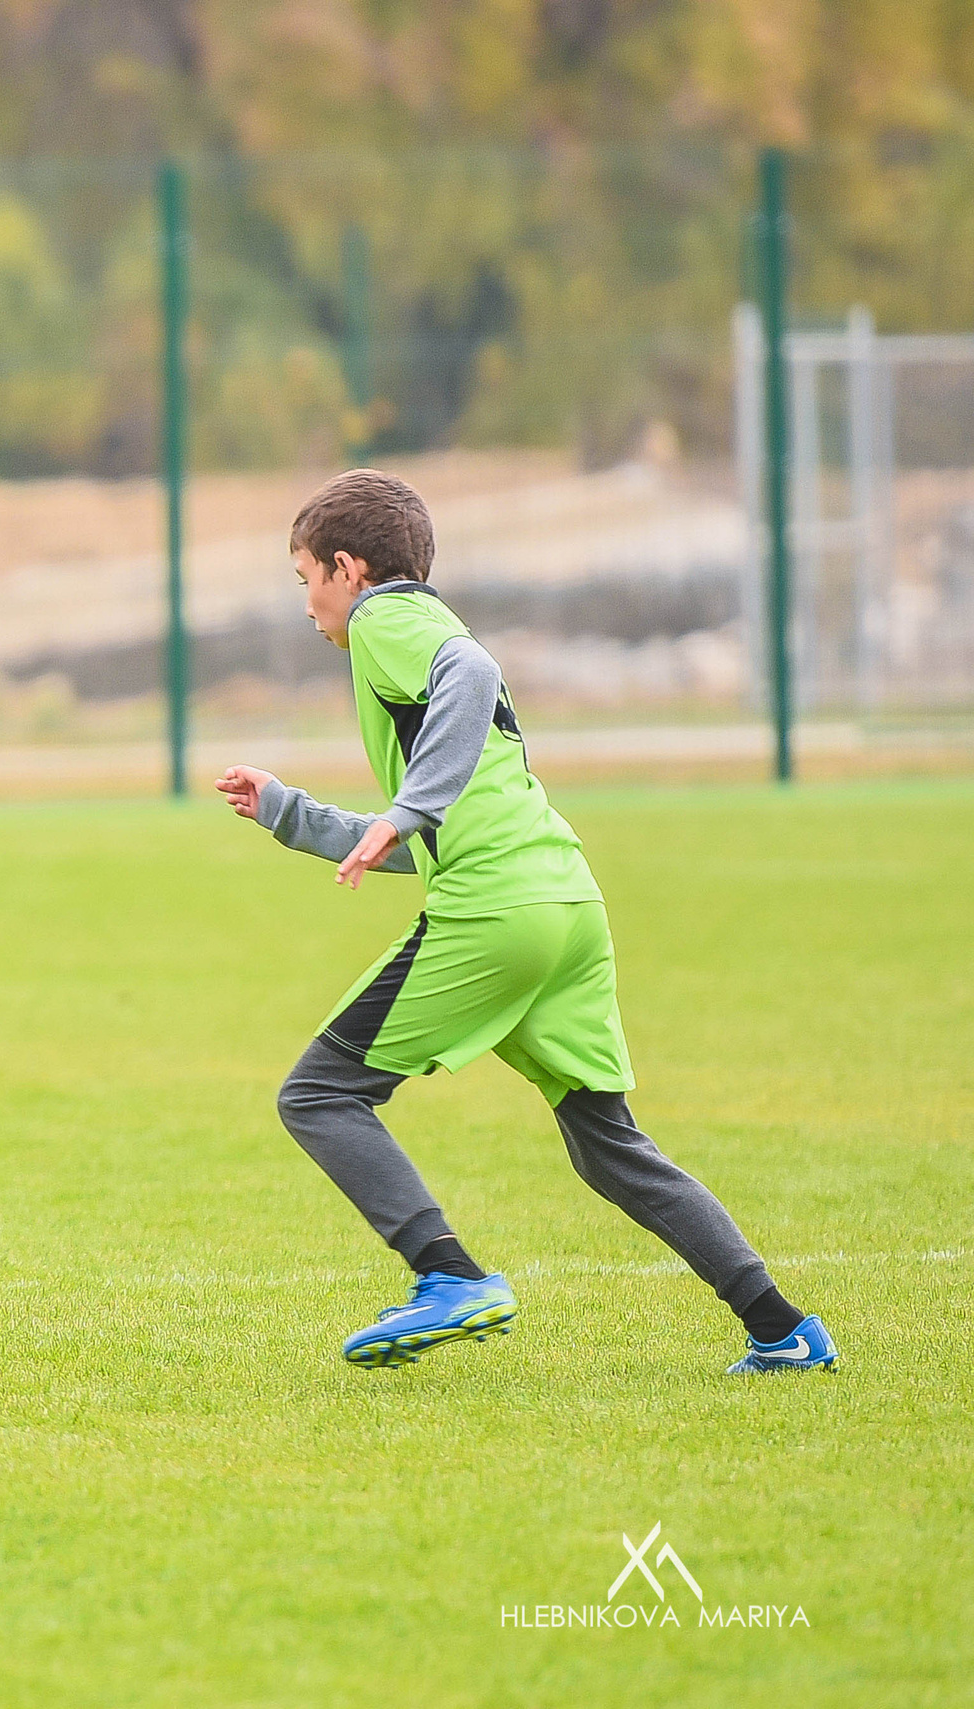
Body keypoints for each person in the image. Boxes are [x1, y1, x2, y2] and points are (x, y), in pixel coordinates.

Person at [215, 468, 836, 1375]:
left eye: (305, 577)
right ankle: (784, 1327)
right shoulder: (421, 634)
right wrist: (292, 812)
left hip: (499, 910)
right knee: (609, 1147)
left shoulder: (388, 621)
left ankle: (450, 1275)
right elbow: (437, 825)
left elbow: (469, 682)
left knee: (319, 1095)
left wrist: (409, 805)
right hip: (565, 899)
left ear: (349, 569)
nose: (307, 603)